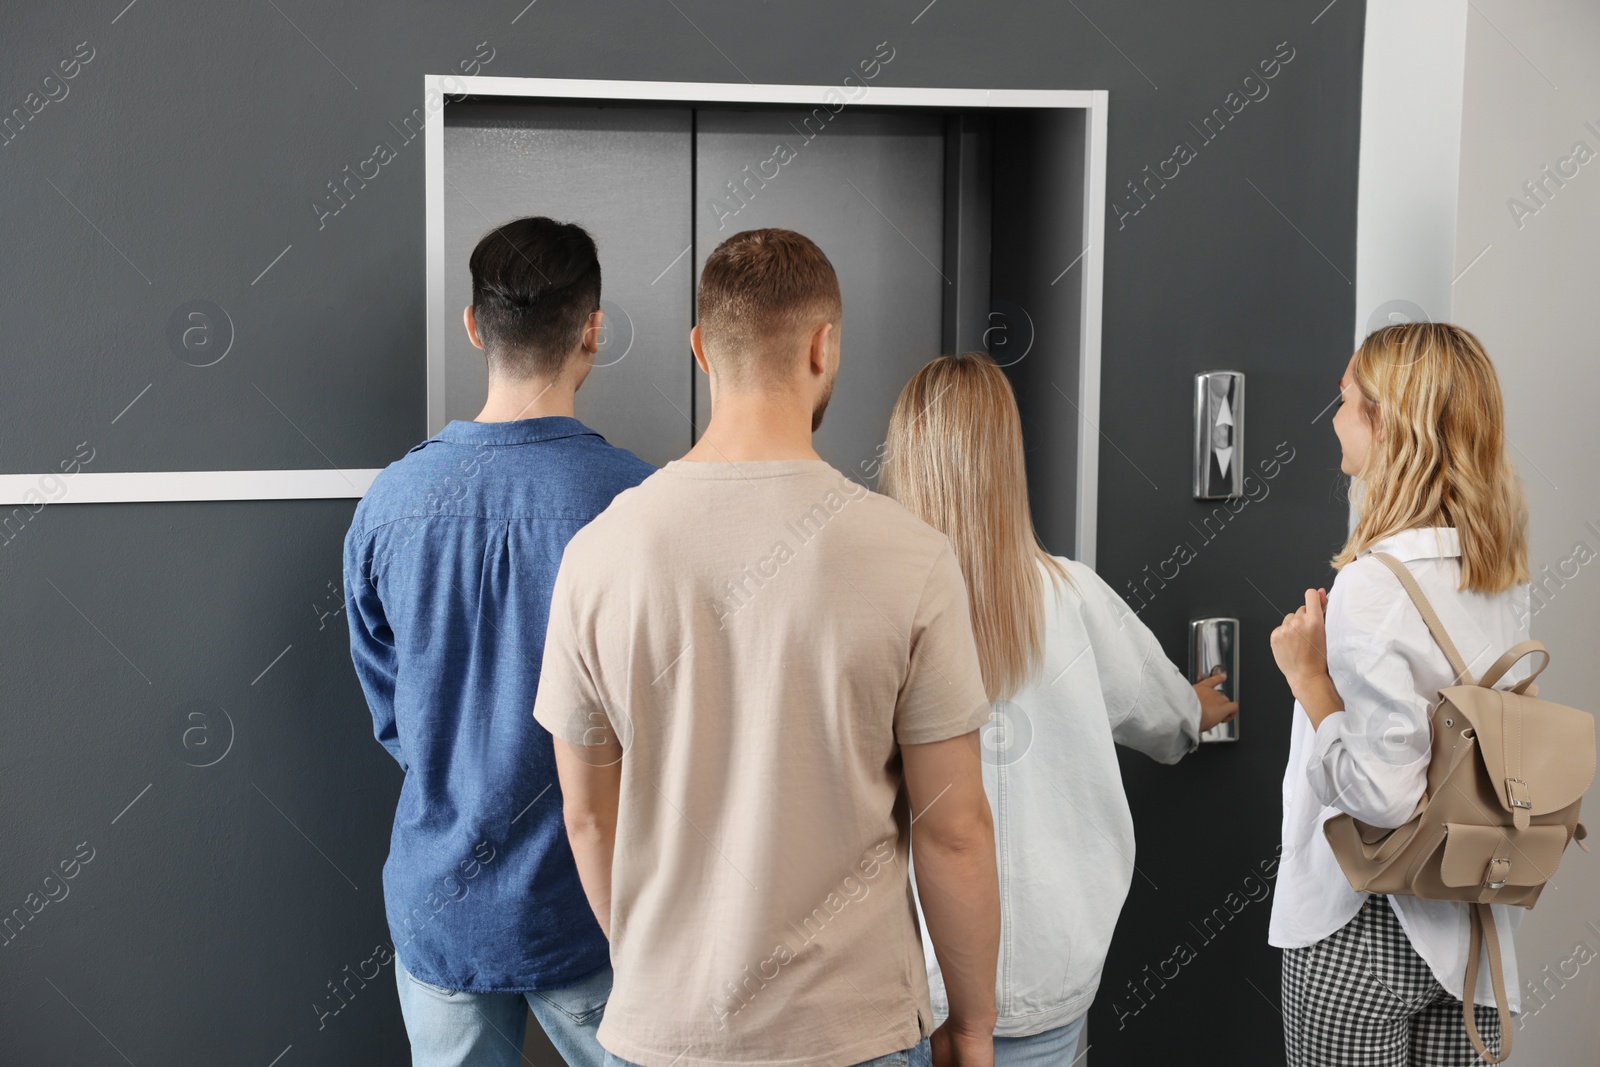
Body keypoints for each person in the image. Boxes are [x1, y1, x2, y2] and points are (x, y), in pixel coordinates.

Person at [532, 229, 1002, 1067]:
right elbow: (953, 831)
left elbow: (585, 814)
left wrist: (655, 965)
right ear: (824, 346)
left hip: (665, 1033)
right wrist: (970, 1023)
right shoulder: (912, 556)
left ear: (701, 351)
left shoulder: (597, 554)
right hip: (851, 1034)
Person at [343, 217, 653, 1067]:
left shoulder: (390, 504)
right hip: (599, 905)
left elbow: (396, 715)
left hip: (444, 900)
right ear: (594, 329)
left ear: (475, 326)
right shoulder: (641, 504)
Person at [878, 352, 1239, 1065]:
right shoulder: (1074, 597)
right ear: (1005, 461)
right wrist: (1196, 709)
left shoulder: (878, 609)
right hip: (1045, 984)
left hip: (909, 992)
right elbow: (1170, 723)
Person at [1267, 323, 1530, 1065]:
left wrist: (1308, 677)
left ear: (1388, 424)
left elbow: (1380, 799)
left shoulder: (1372, 584)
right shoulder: (1498, 572)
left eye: (1346, 399)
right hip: (1473, 929)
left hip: (1360, 924)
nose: (1333, 417)